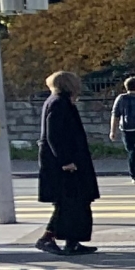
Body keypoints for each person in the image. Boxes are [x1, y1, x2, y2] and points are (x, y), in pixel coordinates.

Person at [35, 72, 100, 257]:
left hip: (69, 161)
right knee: (68, 203)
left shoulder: (59, 101)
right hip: (64, 164)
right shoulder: (59, 103)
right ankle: (48, 238)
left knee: (75, 203)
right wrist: (66, 161)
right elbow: (53, 135)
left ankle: (73, 241)